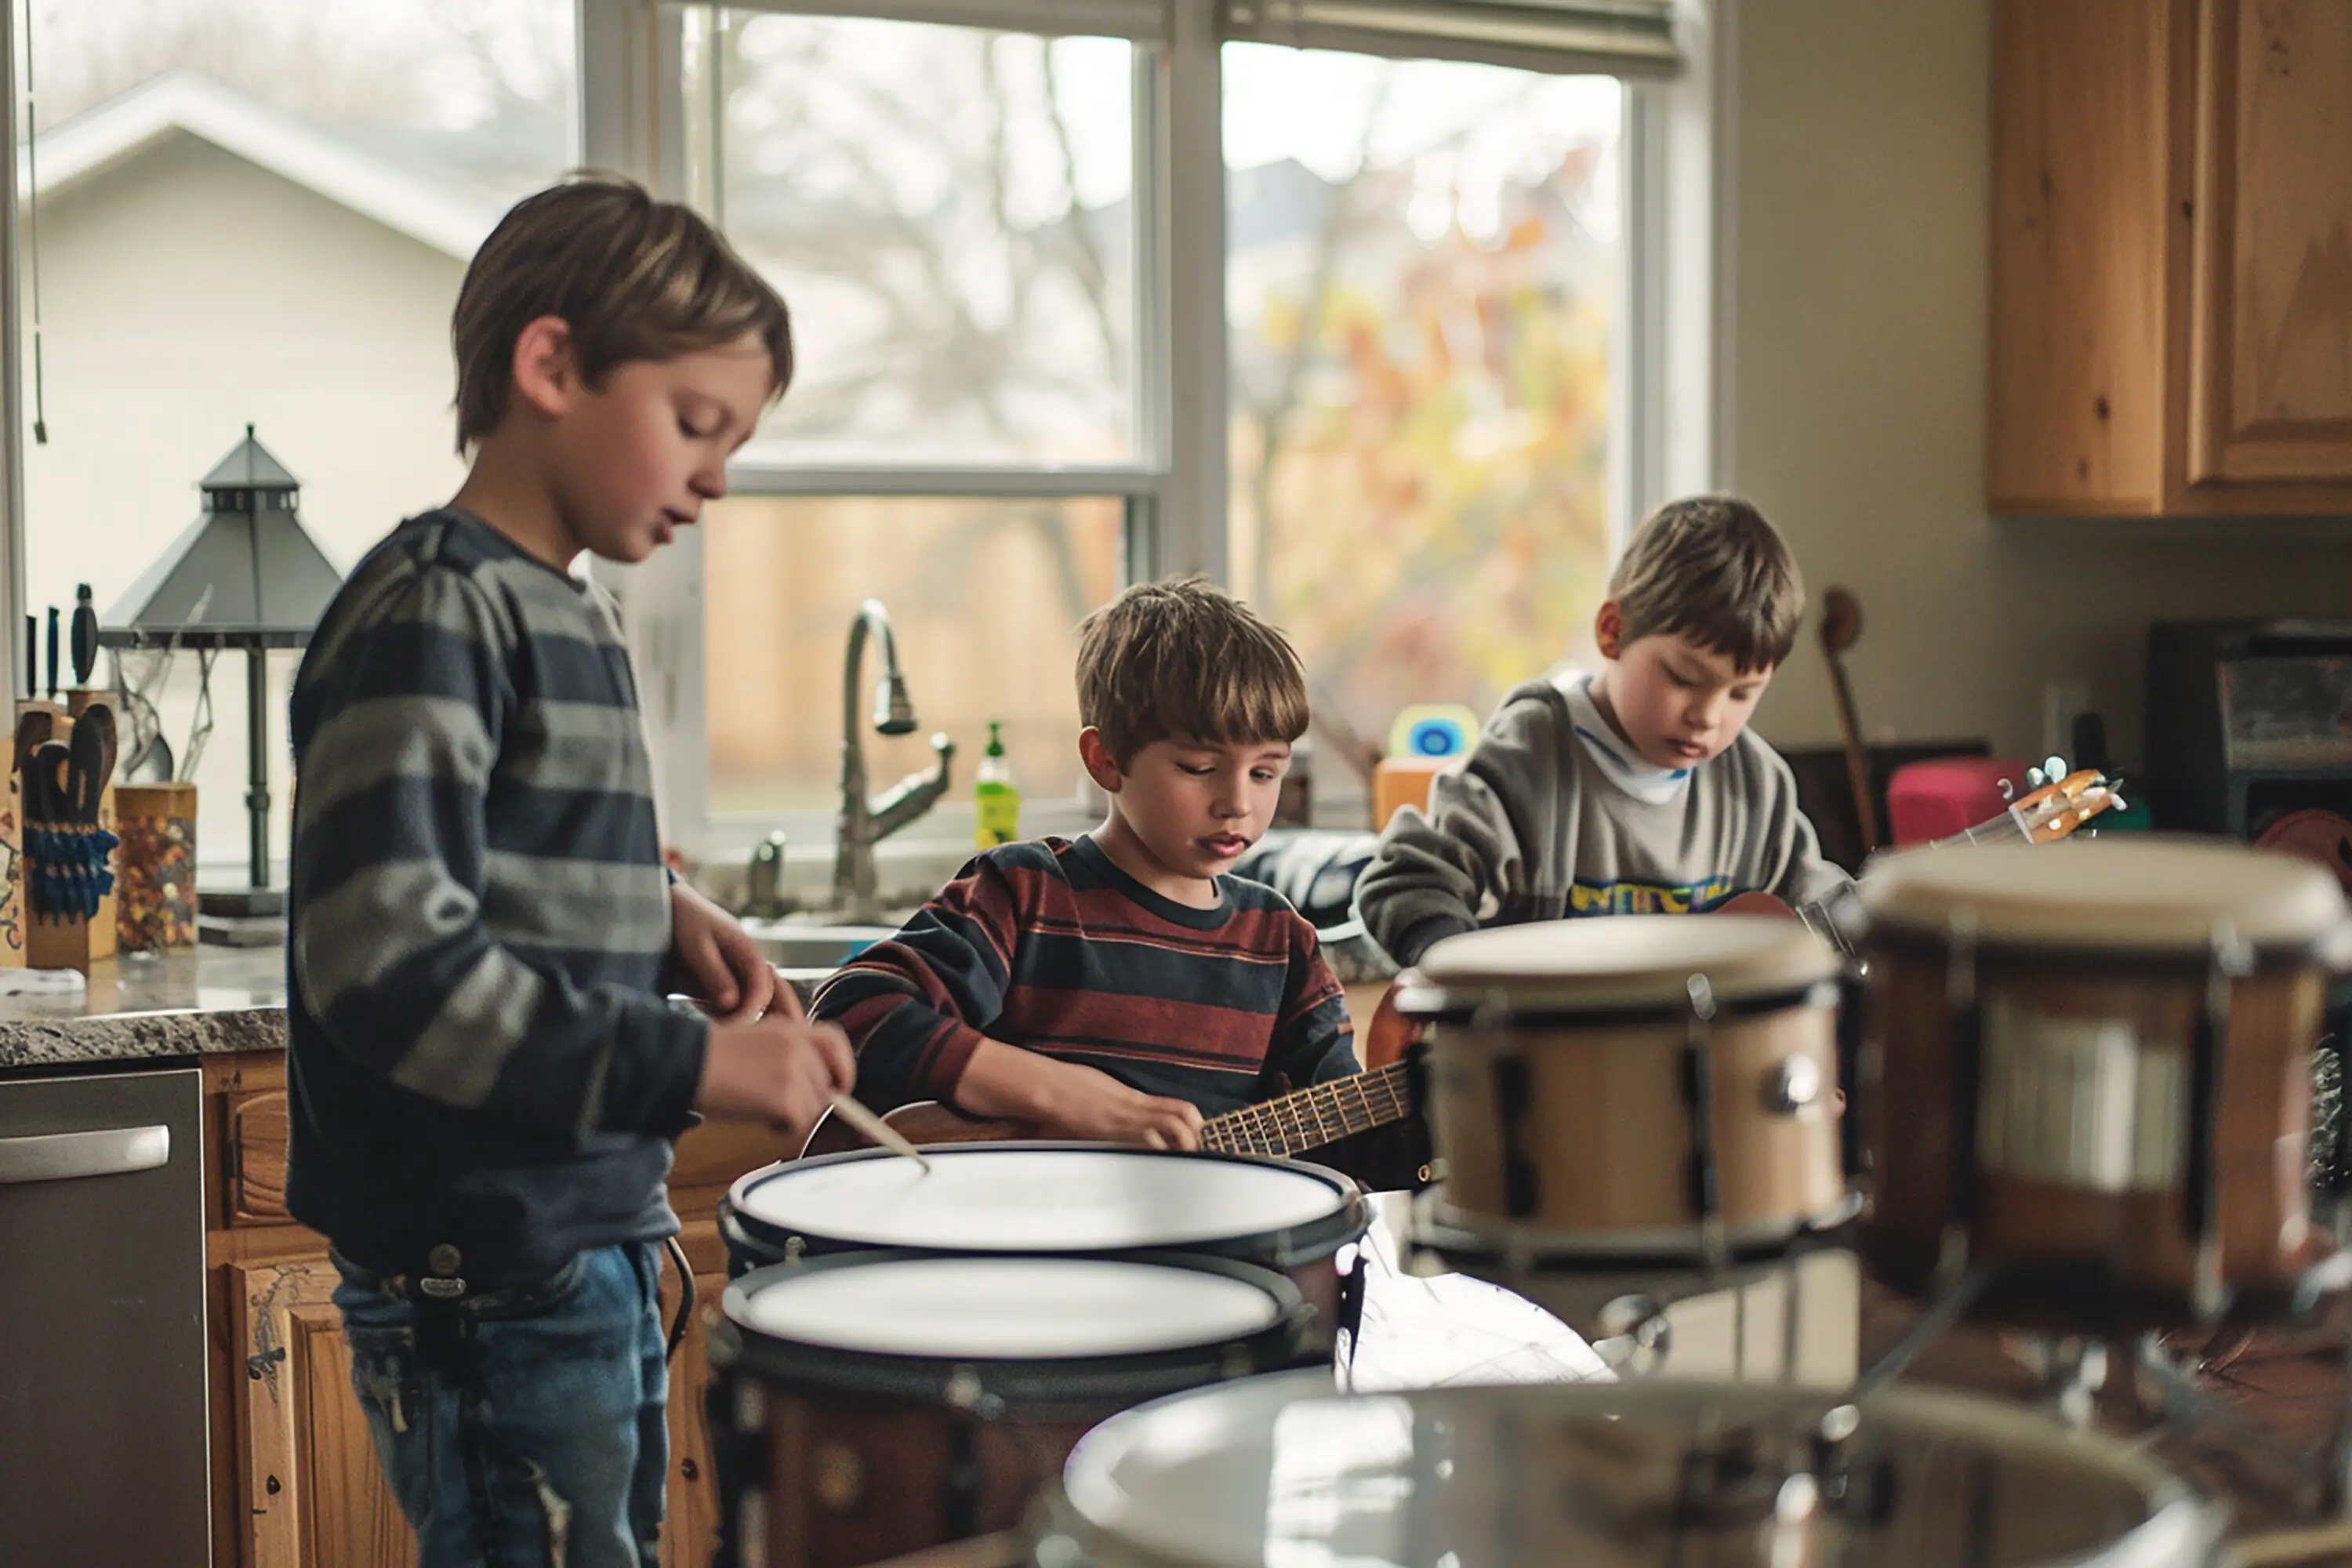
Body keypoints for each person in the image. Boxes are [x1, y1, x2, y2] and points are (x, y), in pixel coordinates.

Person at [283, 174, 855, 1568]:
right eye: (695, 424)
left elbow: (502, 866)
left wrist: (660, 915)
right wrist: (692, 1068)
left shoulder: (566, 603)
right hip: (483, 1270)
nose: (717, 476)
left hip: (578, 1235)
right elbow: (392, 968)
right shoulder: (440, 608)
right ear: (551, 366)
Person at [811, 575, 1425, 1189]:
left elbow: (1350, 1162)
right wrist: (1065, 1097)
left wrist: (1437, 1116)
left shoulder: (1281, 945)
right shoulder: (1027, 894)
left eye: (1266, 773)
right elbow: (853, 1013)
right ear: (1104, 759)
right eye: (1200, 768)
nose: (1237, 803)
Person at [1355, 495, 1853, 970]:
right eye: (1684, 678)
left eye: (1742, 693)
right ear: (1613, 631)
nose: (1707, 716)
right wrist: (1463, 980)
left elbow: (1831, 909)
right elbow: (1405, 881)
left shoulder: (1756, 785)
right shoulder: (1529, 754)